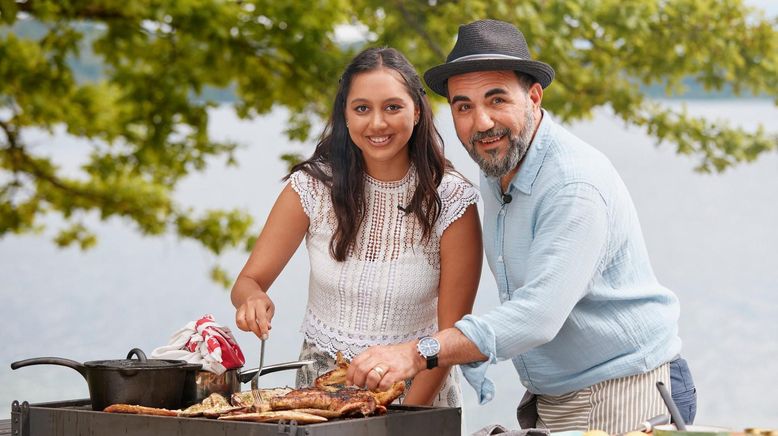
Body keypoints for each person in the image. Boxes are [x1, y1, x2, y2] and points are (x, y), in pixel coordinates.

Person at [346, 20, 697, 434]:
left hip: (626, 390)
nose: (480, 122)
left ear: (533, 96)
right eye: (463, 106)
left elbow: (538, 317)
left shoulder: (573, 186)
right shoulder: (499, 159)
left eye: (497, 99)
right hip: (556, 395)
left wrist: (421, 351)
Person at [230, 47, 482, 410]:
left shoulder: (453, 200)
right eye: (362, 108)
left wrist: (402, 417)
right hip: (320, 393)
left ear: (417, 110)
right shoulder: (313, 187)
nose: (377, 123)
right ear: (345, 115)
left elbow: (450, 337)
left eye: (393, 107)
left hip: (418, 393)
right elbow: (248, 282)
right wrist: (252, 299)